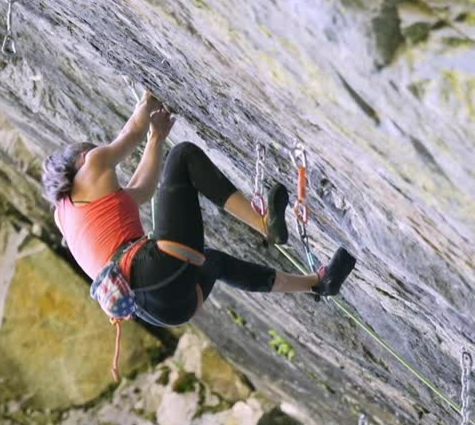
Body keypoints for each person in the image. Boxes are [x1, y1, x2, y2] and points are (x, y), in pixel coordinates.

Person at [41, 91, 355, 328]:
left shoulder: (65, 217)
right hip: (152, 270)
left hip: (160, 311)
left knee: (213, 262)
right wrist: (148, 98)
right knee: (182, 157)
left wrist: (157, 138)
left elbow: (140, 191)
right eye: (90, 151)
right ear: (80, 159)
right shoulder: (92, 163)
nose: (96, 153)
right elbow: (129, 134)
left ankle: (317, 284)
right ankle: (264, 224)